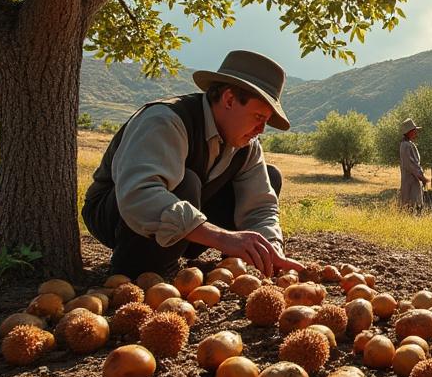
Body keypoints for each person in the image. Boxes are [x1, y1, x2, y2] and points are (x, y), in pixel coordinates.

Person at [82, 50, 305, 278]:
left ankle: (235, 267)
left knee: (270, 176)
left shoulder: (248, 145)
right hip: (118, 215)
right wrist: (222, 238)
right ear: (229, 99)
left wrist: (270, 248)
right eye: (258, 117)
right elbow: (140, 195)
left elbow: (260, 208)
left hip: (190, 219)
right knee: (186, 181)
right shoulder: (166, 120)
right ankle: (143, 269)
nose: (261, 130)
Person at [398, 118, 429, 211]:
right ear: (409, 132)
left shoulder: (408, 144)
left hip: (412, 181)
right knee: (412, 207)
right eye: (414, 130)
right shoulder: (406, 145)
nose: (416, 132)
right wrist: (422, 177)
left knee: (413, 207)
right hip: (410, 182)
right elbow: (410, 165)